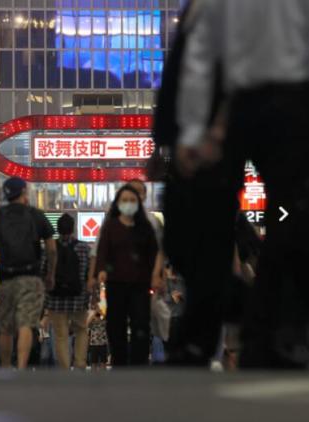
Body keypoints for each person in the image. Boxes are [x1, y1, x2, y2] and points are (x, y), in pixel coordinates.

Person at [175, 0, 309, 369]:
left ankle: (274, 330)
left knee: (290, 222)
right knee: (192, 226)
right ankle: (253, 320)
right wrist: (194, 129)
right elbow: (199, 61)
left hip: (289, 109)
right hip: (236, 108)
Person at [0, 177, 56, 370]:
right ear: (24, 192)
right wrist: (50, 273)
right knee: (26, 324)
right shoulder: (36, 215)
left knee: (5, 327)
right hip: (31, 277)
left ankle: (6, 367)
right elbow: (52, 248)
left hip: (5, 278)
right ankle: (22, 368)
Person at [95, 185, 161, 366]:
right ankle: (119, 362)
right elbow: (103, 251)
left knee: (141, 324)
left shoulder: (145, 227)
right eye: (124, 200)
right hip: (116, 283)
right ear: (118, 203)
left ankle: (140, 363)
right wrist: (101, 270)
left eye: (132, 200)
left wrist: (156, 275)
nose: (128, 204)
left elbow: (154, 253)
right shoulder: (111, 226)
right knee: (116, 325)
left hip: (140, 284)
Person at [44, 213, 91, 370]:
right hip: (79, 297)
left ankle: (65, 368)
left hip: (56, 299)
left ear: (58, 229)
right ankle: (80, 363)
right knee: (81, 330)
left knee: (61, 335)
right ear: (73, 228)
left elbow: (43, 272)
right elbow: (88, 274)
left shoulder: (50, 248)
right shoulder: (84, 248)